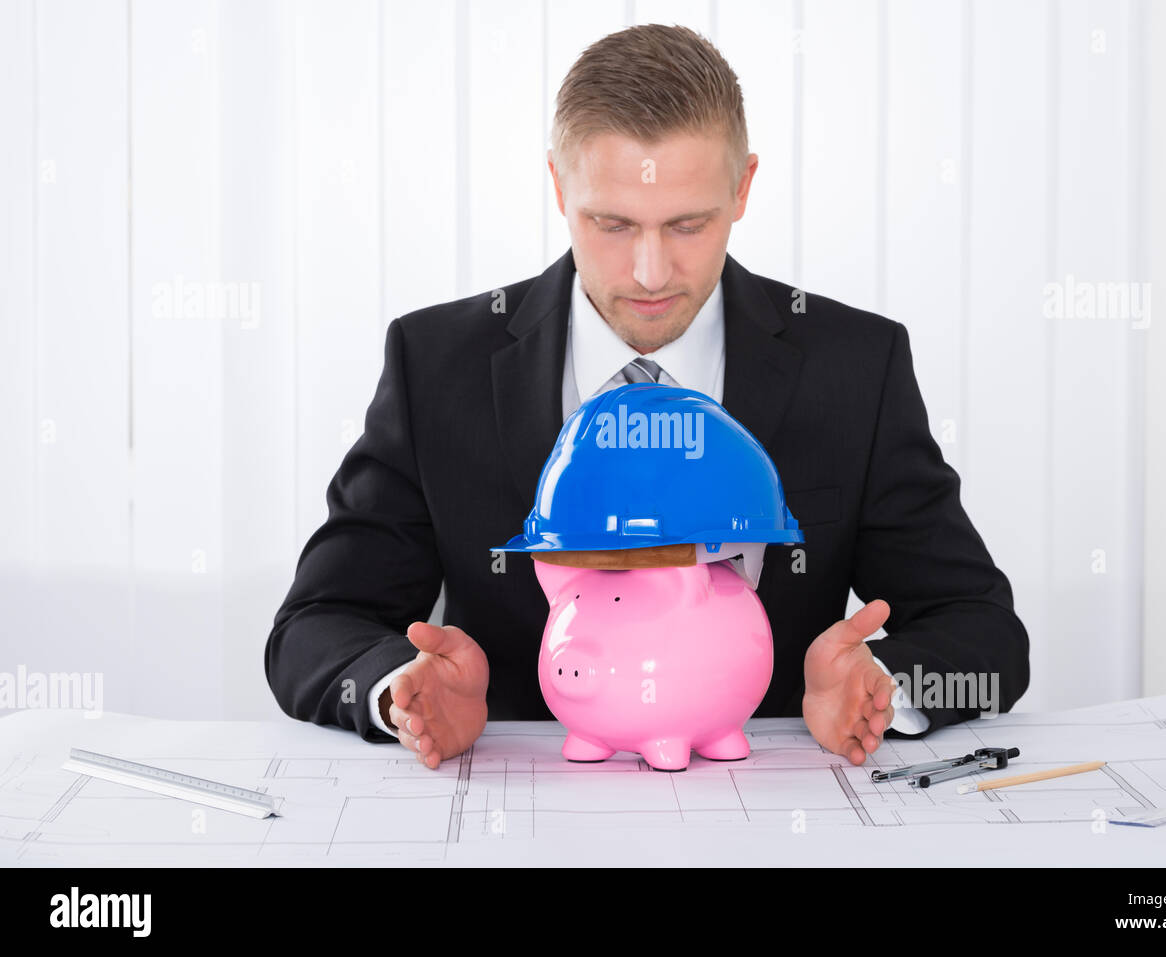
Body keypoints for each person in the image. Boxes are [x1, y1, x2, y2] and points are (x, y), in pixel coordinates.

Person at [265, 23, 1029, 771]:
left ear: (743, 187)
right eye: (612, 223)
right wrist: (403, 690)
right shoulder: (436, 365)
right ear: (560, 187)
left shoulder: (856, 366)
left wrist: (884, 690)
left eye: (689, 224)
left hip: (769, 804)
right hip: (525, 804)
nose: (652, 271)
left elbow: (985, 630)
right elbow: (317, 621)